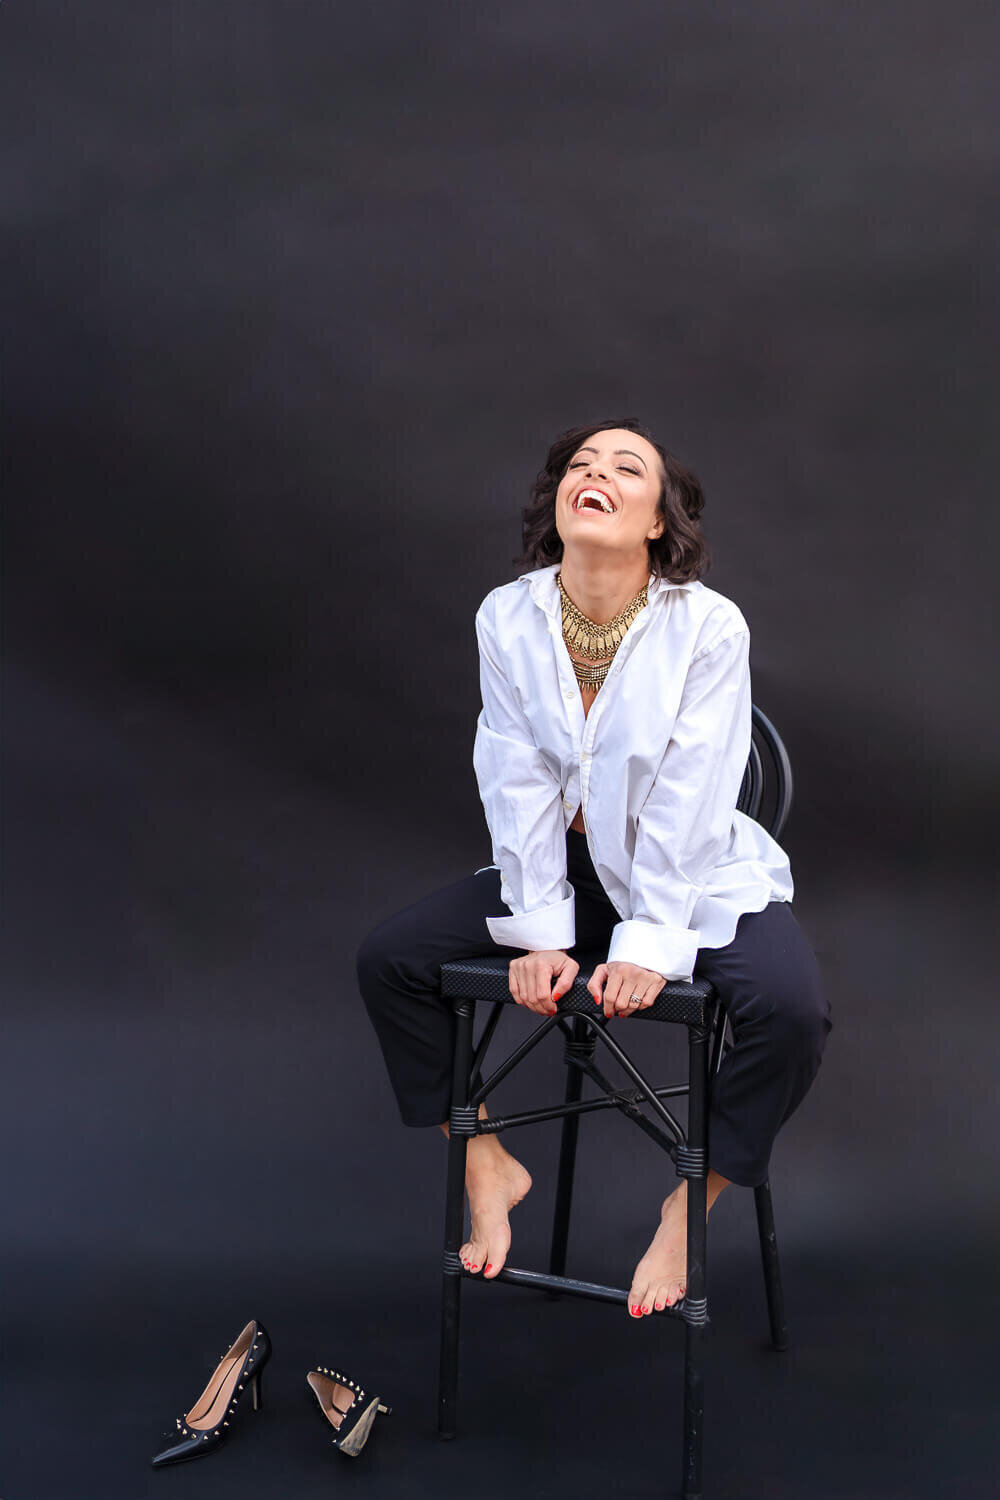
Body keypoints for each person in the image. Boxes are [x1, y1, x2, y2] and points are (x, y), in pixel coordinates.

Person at [357, 418, 831, 1319]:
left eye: (626, 467)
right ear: (559, 503)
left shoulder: (708, 626)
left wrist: (649, 944)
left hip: (689, 878)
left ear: (658, 520)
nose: (596, 474)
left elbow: (692, 797)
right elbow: (514, 775)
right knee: (391, 962)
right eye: (581, 464)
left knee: (792, 1012)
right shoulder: (508, 617)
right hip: (568, 878)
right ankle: (485, 1160)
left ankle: (691, 1202)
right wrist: (538, 927)